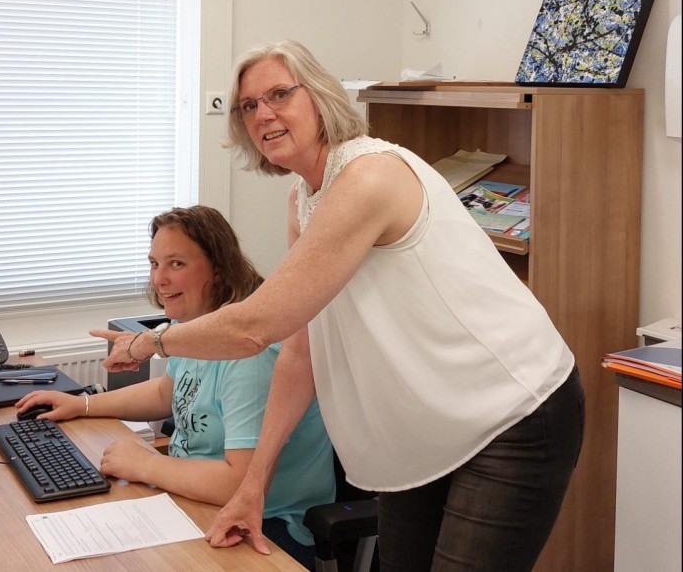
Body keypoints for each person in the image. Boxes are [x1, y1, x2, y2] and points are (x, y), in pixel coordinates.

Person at [90, 41, 585, 571]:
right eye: (249, 106)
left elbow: (259, 326)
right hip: (425, 426)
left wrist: (152, 340)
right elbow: (299, 351)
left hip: (511, 410)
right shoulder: (303, 201)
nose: (264, 114)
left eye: (279, 94)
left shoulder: (371, 175)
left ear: (320, 96)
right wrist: (253, 485)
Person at [17, 205, 334, 569]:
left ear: (218, 269)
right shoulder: (194, 330)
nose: (159, 280)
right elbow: (165, 393)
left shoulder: (251, 355)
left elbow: (240, 484)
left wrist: (146, 465)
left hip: (266, 527)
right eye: (154, 264)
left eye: (176, 264)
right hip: (195, 499)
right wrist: (83, 405)